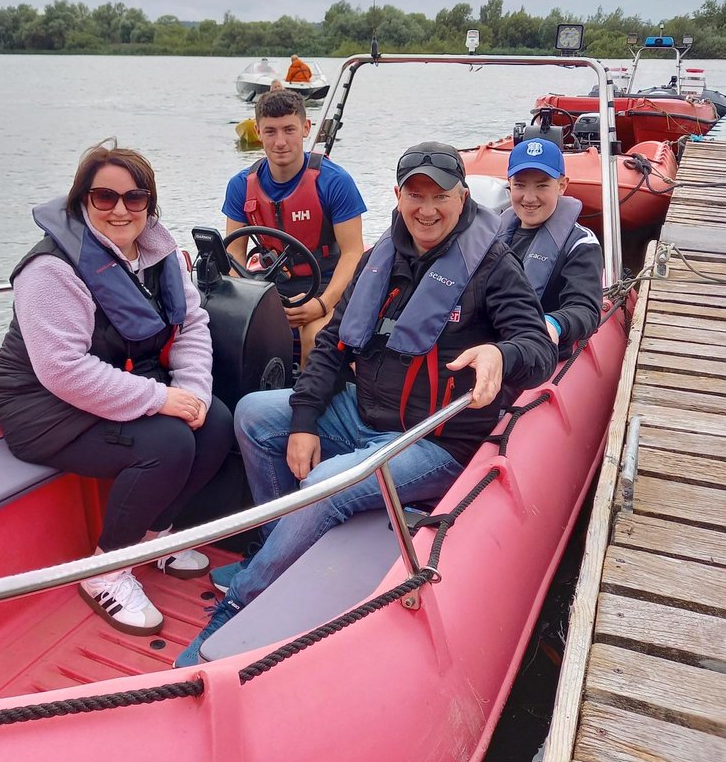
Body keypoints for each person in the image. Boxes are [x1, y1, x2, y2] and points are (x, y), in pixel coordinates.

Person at [175, 141, 557, 666]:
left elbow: (536, 349)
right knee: (256, 415)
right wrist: (305, 419)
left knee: (330, 483)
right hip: (366, 411)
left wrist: (500, 351)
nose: (427, 209)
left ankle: (244, 601)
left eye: (440, 196)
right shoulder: (382, 254)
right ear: (397, 195)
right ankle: (278, 551)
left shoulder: (493, 265)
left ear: (462, 196)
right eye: (414, 195)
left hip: (437, 439)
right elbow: (333, 342)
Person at [0, 141, 234, 637]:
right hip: (40, 406)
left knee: (215, 423)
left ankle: (152, 542)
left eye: (134, 197)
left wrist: (192, 391)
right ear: (83, 201)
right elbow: (62, 370)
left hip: (112, 386)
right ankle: (105, 570)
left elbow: (191, 326)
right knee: (167, 444)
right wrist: (159, 399)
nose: (120, 209)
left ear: (149, 204)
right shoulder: (51, 271)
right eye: (104, 197)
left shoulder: (157, 255)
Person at [222, 88, 366, 365]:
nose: (280, 142)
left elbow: (353, 253)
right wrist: (247, 299)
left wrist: (321, 304)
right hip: (270, 282)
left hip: (327, 282)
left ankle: (303, 402)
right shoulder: (240, 185)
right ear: (258, 131)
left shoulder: (335, 181)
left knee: (314, 334)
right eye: (271, 131)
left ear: (305, 128)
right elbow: (234, 253)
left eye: (289, 130)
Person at [501, 137, 603, 355]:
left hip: (539, 351)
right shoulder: (491, 236)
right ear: (509, 184)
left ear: (562, 185)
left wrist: (555, 323)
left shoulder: (581, 244)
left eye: (541, 185)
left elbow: (585, 310)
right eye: (519, 185)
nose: (529, 197)